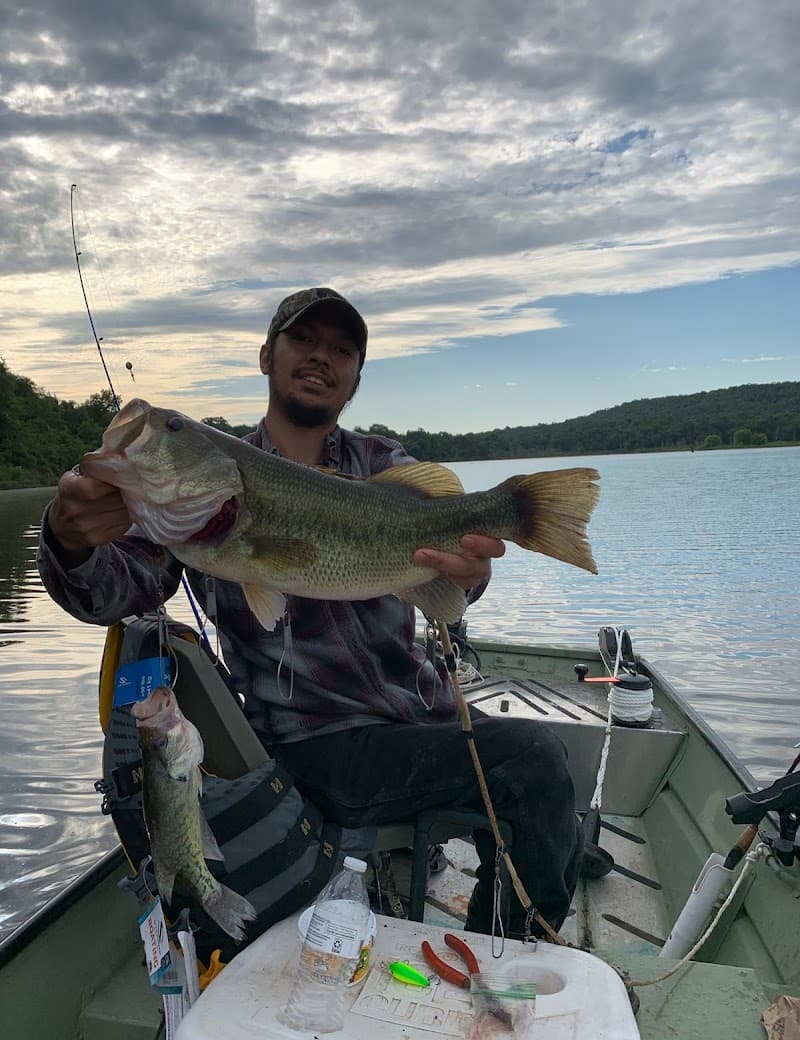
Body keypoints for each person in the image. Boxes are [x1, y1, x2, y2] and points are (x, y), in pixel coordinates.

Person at [38, 286, 582, 938]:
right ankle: (515, 955)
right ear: (267, 355)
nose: (322, 357)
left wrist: (472, 572)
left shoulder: (383, 463)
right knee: (534, 757)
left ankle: (505, 952)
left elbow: (450, 582)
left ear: (355, 378)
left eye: (343, 349)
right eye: (304, 340)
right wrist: (70, 540)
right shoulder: (192, 501)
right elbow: (115, 591)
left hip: (417, 722)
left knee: (537, 776)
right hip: (311, 744)